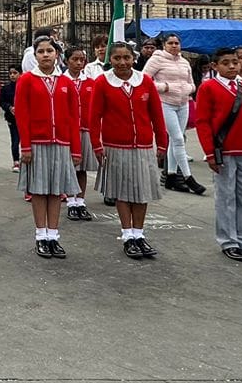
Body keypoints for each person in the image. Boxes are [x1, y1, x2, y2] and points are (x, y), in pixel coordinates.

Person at [86, 41, 169, 259]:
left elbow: (157, 115)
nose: (122, 62)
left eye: (127, 58)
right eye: (117, 58)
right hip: (115, 146)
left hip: (142, 145)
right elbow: (94, 117)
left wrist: (162, 143)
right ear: (110, 60)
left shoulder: (146, 81)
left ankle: (139, 234)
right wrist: (96, 144)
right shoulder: (102, 83)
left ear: (133, 58)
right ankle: (127, 235)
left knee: (141, 192)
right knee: (123, 192)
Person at [194, 48, 242, 262]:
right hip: (224, 150)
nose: (232, 66)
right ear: (215, 66)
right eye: (226, 63)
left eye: (235, 62)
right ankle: (228, 240)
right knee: (226, 196)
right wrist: (210, 153)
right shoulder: (208, 88)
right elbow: (203, 122)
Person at [15, 36, 80, 259]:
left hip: (61, 143)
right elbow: (22, 115)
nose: (45, 55)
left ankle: (53, 235)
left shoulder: (65, 83)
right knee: (39, 191)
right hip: (37, 143)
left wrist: (76, 148)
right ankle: (40, 235)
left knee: (56, 191)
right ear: (35, 55)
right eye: (41, 51)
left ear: (57, 55)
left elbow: (73, 118)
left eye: (49, 51)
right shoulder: (27, 80)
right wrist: (25, 146)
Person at [144, 33, 204, 194]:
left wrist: (189, 89)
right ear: (164, 45)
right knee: (178, 139)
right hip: (165, 103)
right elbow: (145, 80)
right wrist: (165, 86)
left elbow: (192, 83)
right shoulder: (157, 59)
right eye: (170, 43)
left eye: (177, 43)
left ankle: (170, 175)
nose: (174, 46)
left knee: (175, 139)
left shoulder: (184, 61)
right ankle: (187, 176)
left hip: (183, 103)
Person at [61, 46, 96, 221]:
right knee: (69, 167)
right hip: (67, 131)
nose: (79, 63)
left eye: (82, 59)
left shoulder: (90, 83)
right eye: (75, 59)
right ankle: (70, 201)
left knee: (82, 168)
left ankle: (80, 200)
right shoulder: (61, 80)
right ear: (67, 60)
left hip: (85, 129)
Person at [0, 67, 21, 172]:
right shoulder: (6, 88)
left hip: (24, 118)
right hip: (12, 118)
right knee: (15, 140)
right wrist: (9, 107)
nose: (12, 75)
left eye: (15, 73)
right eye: (10, 73)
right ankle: (16, 161)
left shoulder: (24, 86)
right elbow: (2, 102)